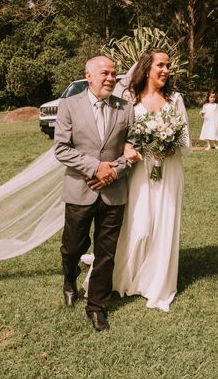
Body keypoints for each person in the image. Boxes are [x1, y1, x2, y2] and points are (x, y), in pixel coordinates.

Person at [82, 49, 191, 312]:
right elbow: (117, 137)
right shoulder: (129, 98)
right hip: (140, 172)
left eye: (168, 66)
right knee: (138, 225)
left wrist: (167, 146)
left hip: (169, 171)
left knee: (163, 223)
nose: (165, 70)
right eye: (160, 65)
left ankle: (157, 284)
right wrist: (130, 149)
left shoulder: (175, 99)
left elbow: (186, 140)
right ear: (147, 67)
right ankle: (123, 278)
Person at [53, 55, 136, 332]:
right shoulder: (68, 105)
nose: (112, 78)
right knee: (73, 246)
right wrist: (95, 168)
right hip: (80, 189)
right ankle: (69, 276)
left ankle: (96, 306)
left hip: (114, 193)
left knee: (106, 253)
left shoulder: (125, 108)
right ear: (88, 76)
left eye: (114, 73)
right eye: (106, 73)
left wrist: (113, 172)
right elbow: (62, 148)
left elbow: (132, 148)